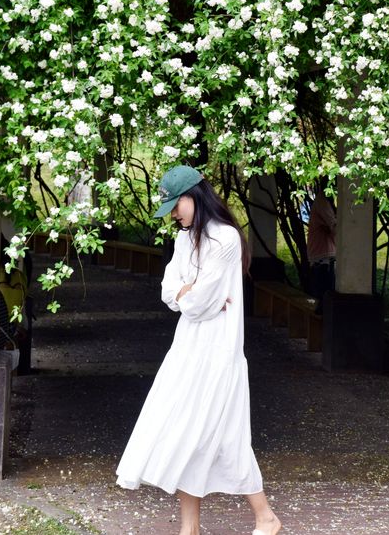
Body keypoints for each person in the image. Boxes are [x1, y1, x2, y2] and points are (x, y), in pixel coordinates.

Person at [116, 165, 281, 535]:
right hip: (188, 348)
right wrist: (187, 292)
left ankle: (265, 516)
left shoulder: (224, 239)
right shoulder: (184, 239)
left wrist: (187, 293)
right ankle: (190, 528)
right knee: (185, 431)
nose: (175, 214)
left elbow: (199, 303)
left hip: (219, 350)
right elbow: (169, 291)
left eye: (178, 205)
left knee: (224, 433)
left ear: (196, 196)